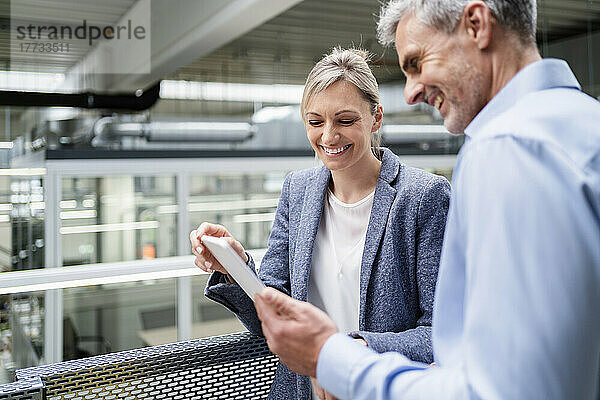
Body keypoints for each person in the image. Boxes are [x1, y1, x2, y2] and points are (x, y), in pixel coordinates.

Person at [253, 1, 600, 399]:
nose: (413, 91)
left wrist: (336, 360)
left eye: (417, 62)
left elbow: (497, 390)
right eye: (315, 121)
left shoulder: (508, 149)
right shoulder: (584, 123)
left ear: (476, 25)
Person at [190, 47, 451, 400]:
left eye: (345, 121)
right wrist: (235, 269)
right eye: (315, 122)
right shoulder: (297, 191)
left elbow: (440, 333)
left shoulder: (424, 197)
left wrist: (345, 351)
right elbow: (270, 314)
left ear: (376, 118)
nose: (328, 137)